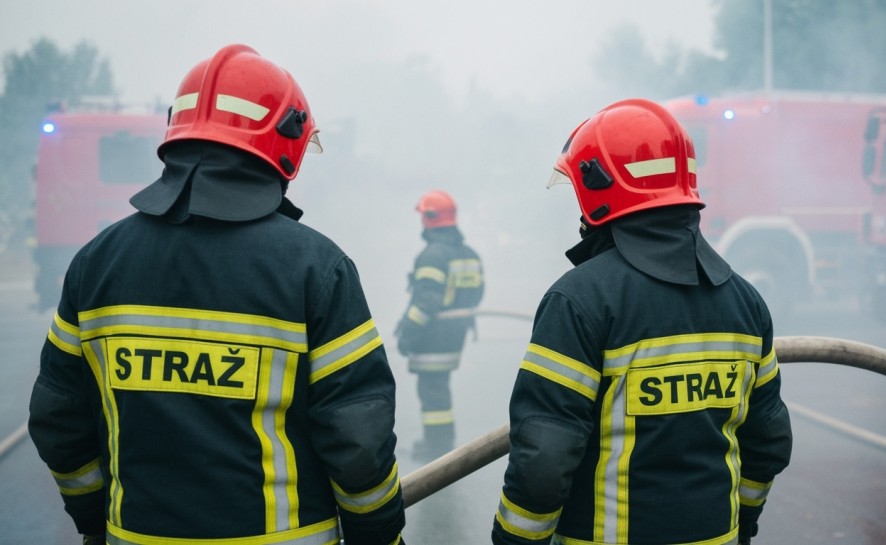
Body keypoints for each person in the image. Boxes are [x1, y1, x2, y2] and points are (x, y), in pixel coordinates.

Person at [27, 44, 406, 545]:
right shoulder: (316, 268)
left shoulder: (95, 263)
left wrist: (96, 522)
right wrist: (378, 536)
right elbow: (358, 440)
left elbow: (56, 419)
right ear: (286, 138)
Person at [491, 98, 793, 545]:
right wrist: (744, 525)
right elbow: (768, 442)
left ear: (599, 188)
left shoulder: (578, 301)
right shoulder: (745, 302)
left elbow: (544, 461)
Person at [394, 190, 485, 462]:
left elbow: (426, 303)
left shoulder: (432, 256)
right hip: (455, 336)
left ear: (430, 218)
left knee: (432, 391)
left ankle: (437, 449)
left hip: (432, 337)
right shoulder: (469, 253)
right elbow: (477, 293)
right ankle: (441, 443)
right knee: (439, 388)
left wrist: (407, 334)